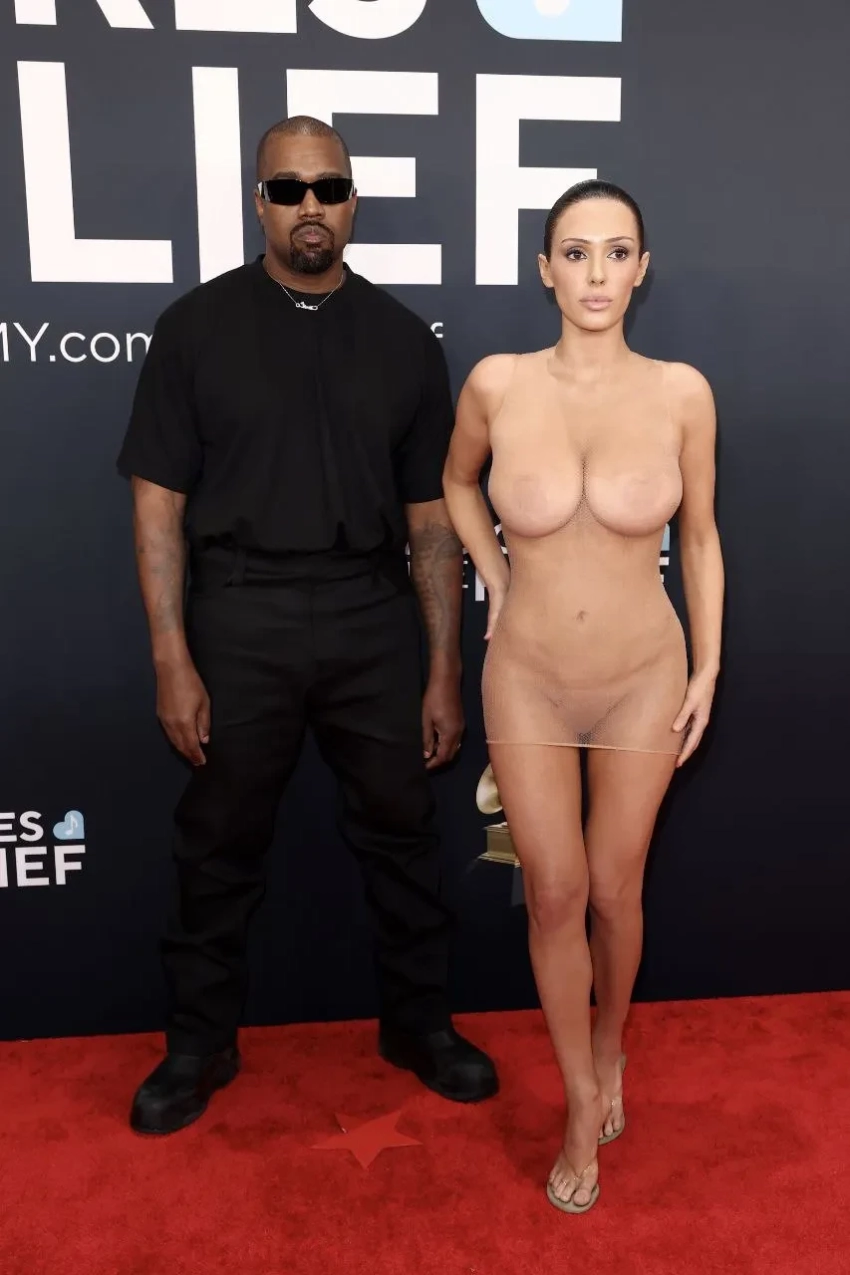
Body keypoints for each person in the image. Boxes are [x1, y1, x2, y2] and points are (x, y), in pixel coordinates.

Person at [117, 115, 498, 1136]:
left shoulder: (402, 340)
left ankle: (418, 1025)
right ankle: (198, 1042)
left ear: (352, 200)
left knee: (403, 835)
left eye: (327, 188)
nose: (309, 208)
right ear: (260, 204)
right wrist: (170, 656)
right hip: (239, 614)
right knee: (217, 843)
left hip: (372, 614)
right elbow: (157, 506)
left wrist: (442, 669)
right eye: (287, 190)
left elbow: (431, 522)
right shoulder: (195, 328)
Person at [443, 180, 723, 1213]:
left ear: (642, 269)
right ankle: (576, 1099)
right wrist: (494, 574)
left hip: (643, 675)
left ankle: (610, 1047)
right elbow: (455, 483)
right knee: (553, 893)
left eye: (615, 252)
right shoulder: (498, 383)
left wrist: (708, 666)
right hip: (526, 676)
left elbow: (700, 537)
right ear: (544, 270)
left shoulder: (682, 393)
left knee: (613, 890)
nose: (595, 273)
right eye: (574, 252)